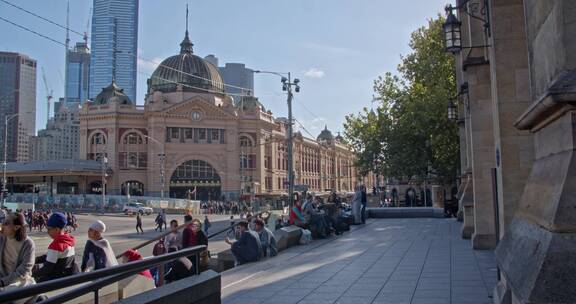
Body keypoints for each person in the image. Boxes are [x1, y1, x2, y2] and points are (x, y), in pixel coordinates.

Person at [33, 212, 78, 282]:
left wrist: (31, 274)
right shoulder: (69, 240)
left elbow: (47, 269)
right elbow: (51, 256)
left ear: (57, 229)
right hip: (66, 276)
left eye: (49, 229)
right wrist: (34, 260)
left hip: (55, 280)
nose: (47, 232)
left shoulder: (56, 245)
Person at [0, 212, 36, 294]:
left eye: (6, 223)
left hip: (19, 282)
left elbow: (23, 271)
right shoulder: (2, 238)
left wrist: (2, 282)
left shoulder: (28, 244)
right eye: (3, 221)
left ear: (16, 227)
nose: (2, 224)